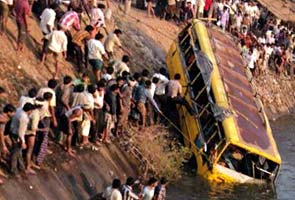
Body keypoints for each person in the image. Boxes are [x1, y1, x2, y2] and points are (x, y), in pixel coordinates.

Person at [10, 103, 34, 176]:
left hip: (12, 130)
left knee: (18, 152)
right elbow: (21, 132)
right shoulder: (24, 118)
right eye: (31, 110)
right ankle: (13, 169)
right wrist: (23, 142)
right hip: (17, 135)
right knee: (16, 152)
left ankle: (21, 167)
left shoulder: (19, 110)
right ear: (29, 110)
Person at [0, 104, 15, 184]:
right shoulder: (3, 119)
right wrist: (4, 145)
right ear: (9, 112)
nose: (13, 114)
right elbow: (1, 133)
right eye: (12, 112)